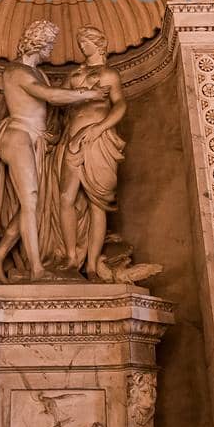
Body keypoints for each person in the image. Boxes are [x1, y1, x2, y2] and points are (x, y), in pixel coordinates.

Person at [0, 20, 103, 284]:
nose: (52, 50)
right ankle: (37, 269)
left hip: (36, 140)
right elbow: (50, 97)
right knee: (30, 201)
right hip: (18, 136)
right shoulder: (16, 71)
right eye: (49, 44)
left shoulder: (40, 73)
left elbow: (48, 102)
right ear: (38, 43)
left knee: (31, 206)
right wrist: (86, 94)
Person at [47, 25, 128, 279]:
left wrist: (100, 128)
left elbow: (120, 105)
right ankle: (71, 257)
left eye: (87, 41)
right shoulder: (74, 75)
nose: (83, 45)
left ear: (99, 43)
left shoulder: (109, 74)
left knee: (98, 203)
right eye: (81, 41)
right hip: (70, 140)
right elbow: (56, 101)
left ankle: (92, 264)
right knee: (65, 197)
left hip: (99, 141)